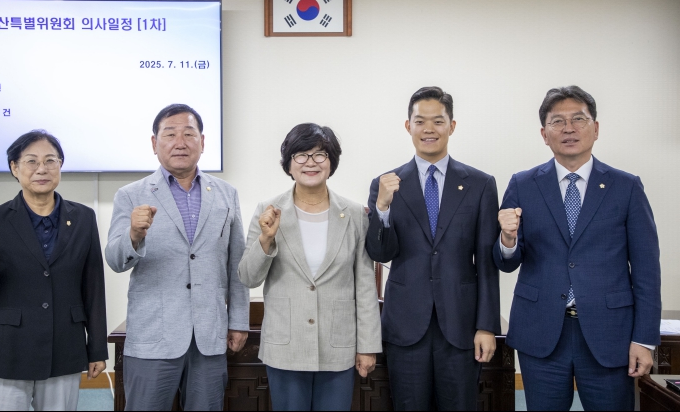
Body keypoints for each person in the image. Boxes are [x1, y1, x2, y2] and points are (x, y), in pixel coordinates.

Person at [494, 85, 661, 410]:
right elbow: (506, 262)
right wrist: (508, 240)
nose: (568, 128)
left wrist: (644, 339)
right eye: (557, 121)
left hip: (609, 332)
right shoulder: (523, 184)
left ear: (595, 128)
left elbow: (646, 270)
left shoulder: (626, 186)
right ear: (544, 134)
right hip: (540, 330)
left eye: (578, 119)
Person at [106, 104, 249, 411]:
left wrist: (239, 321)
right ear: (154, 143)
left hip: (209, 335)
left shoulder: (226, 194)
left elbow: (237, 263)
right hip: (153, 334)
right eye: (170, 134)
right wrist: (134, 235)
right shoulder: (131, 195)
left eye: (189, 134)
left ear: (202, 142)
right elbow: (115, 261)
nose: (180, 142)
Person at [365, 86, 501, 410]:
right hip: (405, 325)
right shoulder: (386, 184)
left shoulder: (480, 184)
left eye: (438, 121)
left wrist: (486, 326)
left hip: (461, 324)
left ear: (451, 126)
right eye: (420, 121)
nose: (429, 129)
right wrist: (382, 208)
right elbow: (380, 254)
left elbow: (487, 261)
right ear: (408, 126)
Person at [238, 123, 382, 411]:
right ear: (289, 164)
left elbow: (366, 285)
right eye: (301, 155)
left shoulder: (355, 214)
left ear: (331, 162)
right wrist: (266, 240)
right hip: (286, 347)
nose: (311, 163)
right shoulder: (268, 211)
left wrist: (367, 345)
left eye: (320, 155)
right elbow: (248, 277)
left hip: (338, 347)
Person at [0, 130, 108, 411]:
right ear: (14, 168)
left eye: (50, 160)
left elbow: (93, 288)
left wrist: (97, 349)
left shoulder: (83, 218)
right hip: (6, 350)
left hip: (64, 346)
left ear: (60, 165)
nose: (42, 169)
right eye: (31, 161)